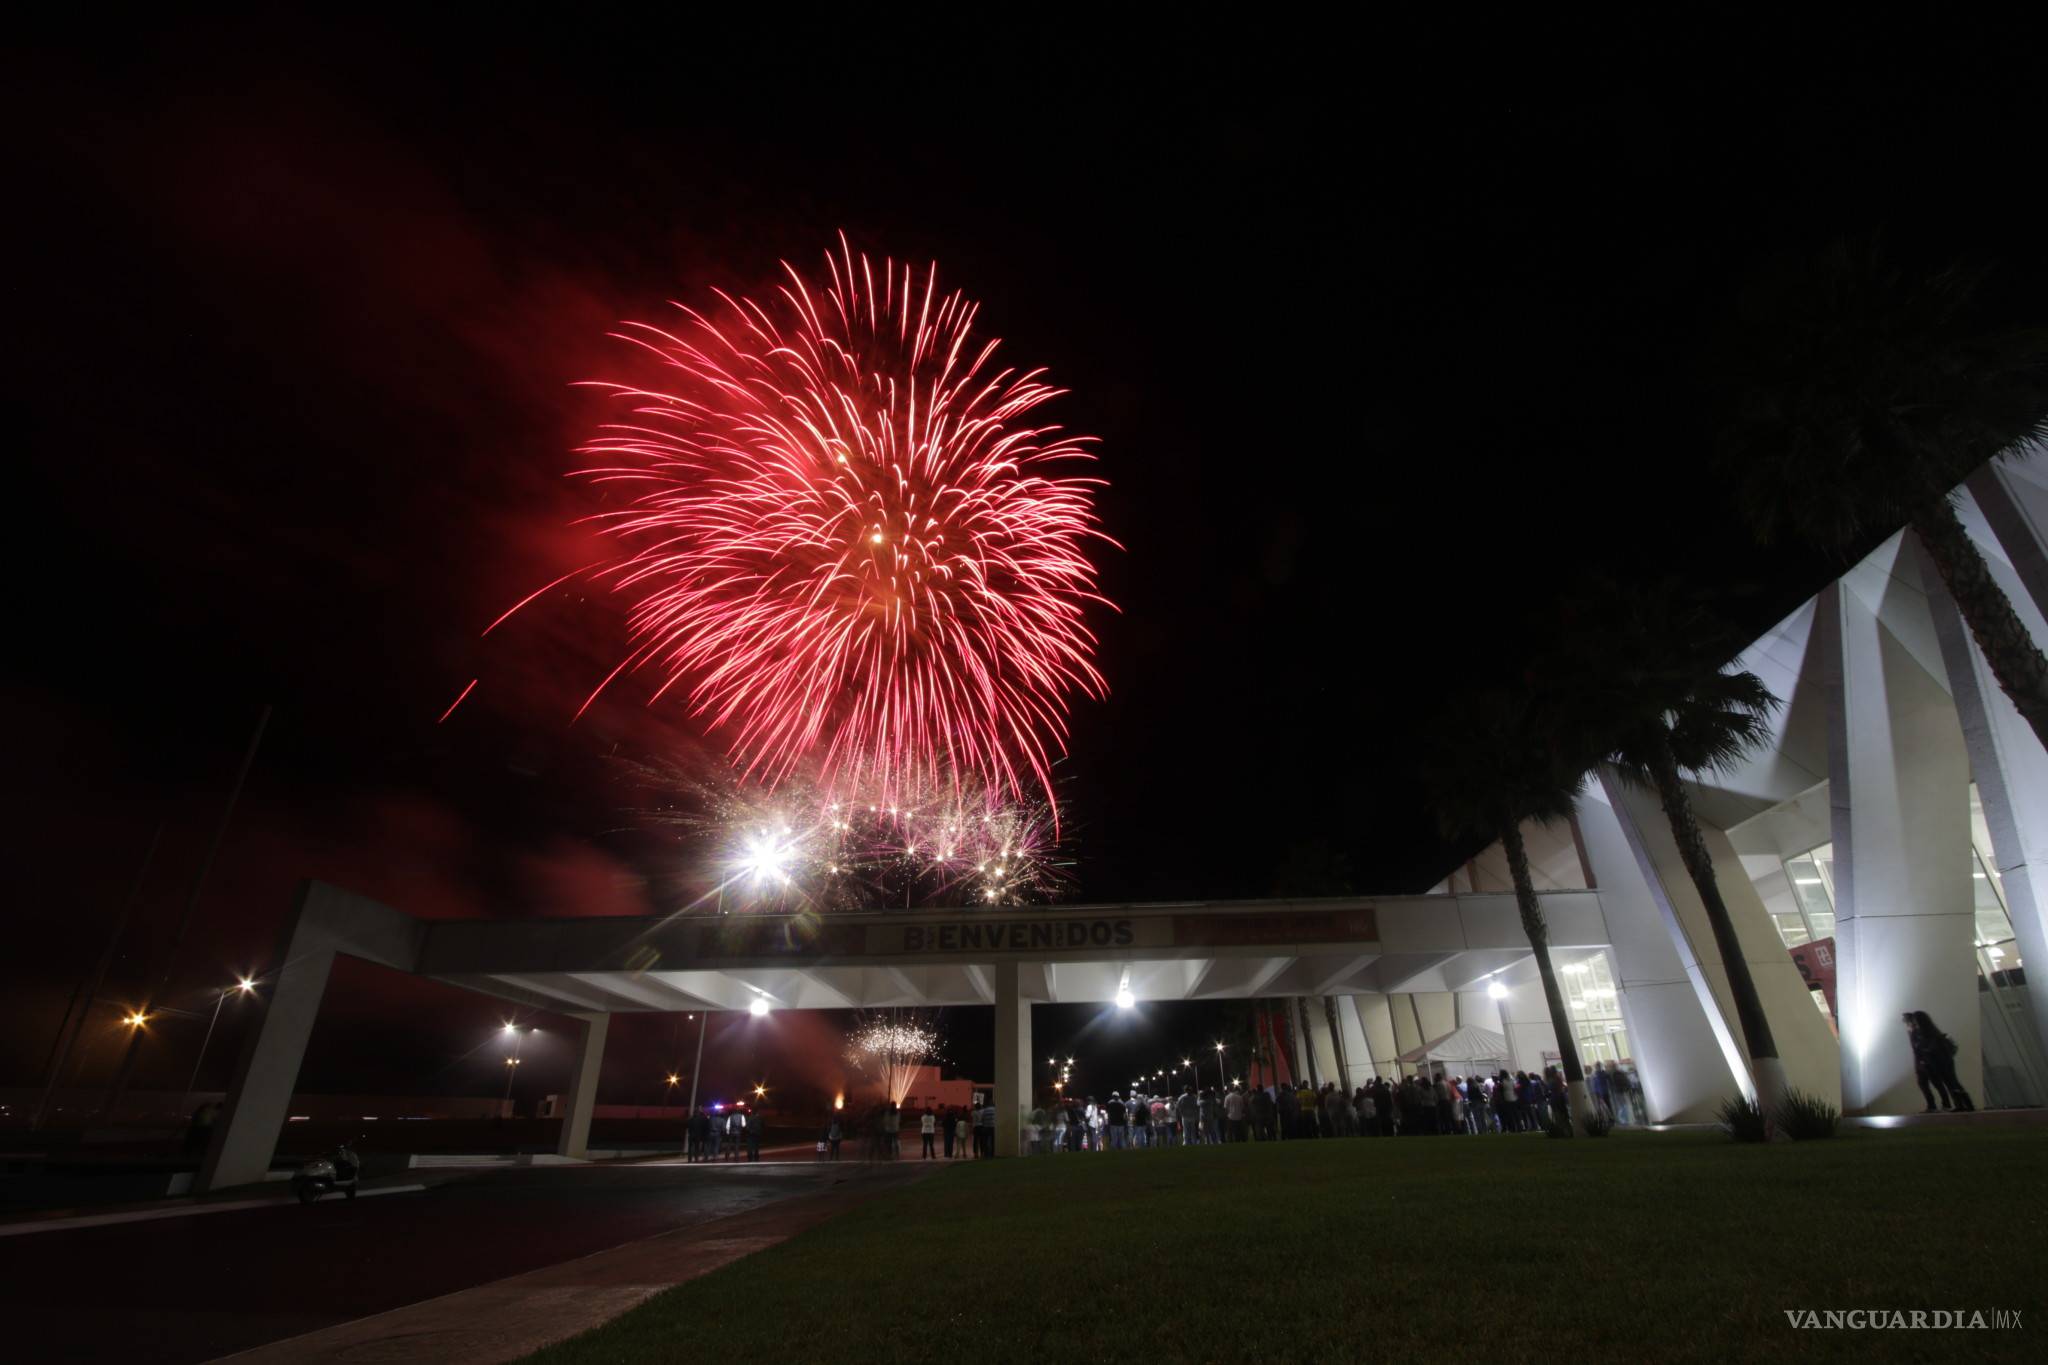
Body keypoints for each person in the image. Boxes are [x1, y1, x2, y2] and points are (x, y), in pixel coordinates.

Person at [1905, 1010, 1974, 1112]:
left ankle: (1962, 1105)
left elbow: (1926, 1048)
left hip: (1941, 1061)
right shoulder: (1931, 1031)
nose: (1914, 1023)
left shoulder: (1925, 1034)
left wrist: (1923, 1049)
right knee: (1952, 1082)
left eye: (1915, 1021)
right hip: (1943, 1061)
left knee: (1950, 1082)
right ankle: (1965, 1105)